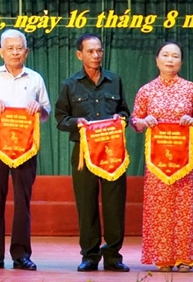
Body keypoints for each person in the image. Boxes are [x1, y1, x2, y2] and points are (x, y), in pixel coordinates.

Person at [55, 33, 131, 273]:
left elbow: (125, 113)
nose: (96, 55)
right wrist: (78, 122)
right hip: (83, 153)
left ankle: (113, 256)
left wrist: (122, 119)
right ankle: (89, 255)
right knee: (86, 204)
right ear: (80, 55)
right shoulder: (70, 84)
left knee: (114, 205)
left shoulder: (114, 80)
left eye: (99, 51)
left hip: (112, 152)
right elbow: (60, 118)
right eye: (90, 51)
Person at [0, 30, 49, 271]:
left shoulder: (35, 78)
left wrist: (38, 108)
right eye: (10, 48)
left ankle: (21, 255)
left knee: (22, 200)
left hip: (26, 145)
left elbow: (46, 113)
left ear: (26, 52)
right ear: (1, 52)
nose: (15, 52)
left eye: (20, 48)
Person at [130, 41, 193, 272]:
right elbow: (134, 120)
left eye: (175, 56)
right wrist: (143, 122)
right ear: (157, 60)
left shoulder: (191, 88)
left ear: (181, 62)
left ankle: (185, 257)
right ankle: (163, 258)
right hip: (157, 163)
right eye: (165, 55)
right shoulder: (146, 90)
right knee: (159, 208)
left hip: (185, 161)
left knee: (185, 208)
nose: (170, 59)